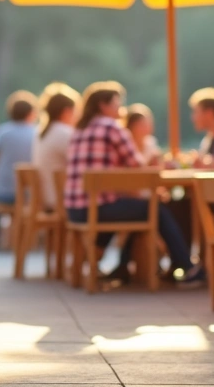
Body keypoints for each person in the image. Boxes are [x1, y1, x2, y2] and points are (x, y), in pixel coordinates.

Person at [64, 81, 205, 288]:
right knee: (156, 210)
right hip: (99, 207)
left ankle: (122, 267)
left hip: (75, 209)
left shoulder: (78, 129)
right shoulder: (111, 127)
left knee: (137, 209)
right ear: (104, 106)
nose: (121, 110)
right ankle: (188, 267)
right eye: (117, 105)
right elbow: (137, 166)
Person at [0, 91, 39, 242]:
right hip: (29, 194)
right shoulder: (37, 133)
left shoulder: (2, 132)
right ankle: (28, 240)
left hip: (2, 192)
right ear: (31, 113)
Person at [32, 83, 79, 211]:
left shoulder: (40, 132)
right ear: (66, 111)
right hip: (59, 199)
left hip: (44, 197)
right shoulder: (65, 133)